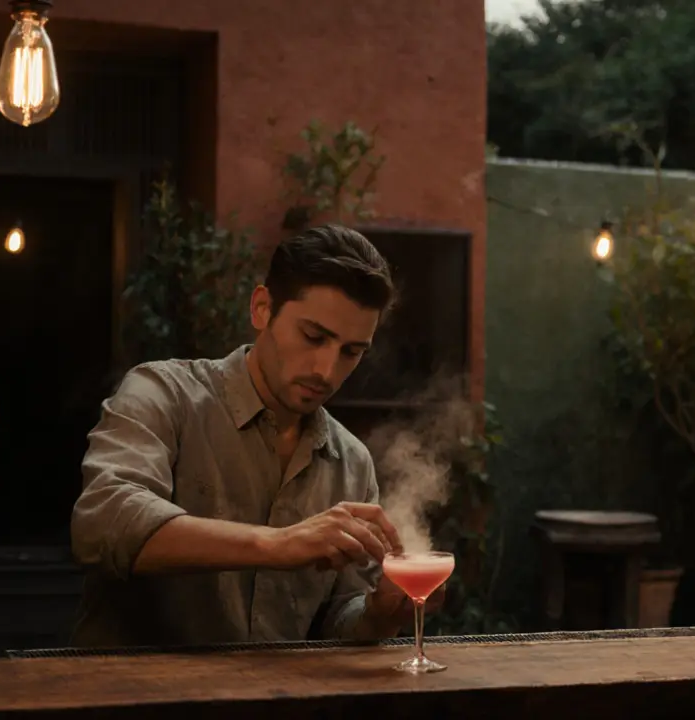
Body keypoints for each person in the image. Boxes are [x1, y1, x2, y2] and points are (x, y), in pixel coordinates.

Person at [69, 224, 441, 647]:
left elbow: (337, 623)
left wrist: (380, 613)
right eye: (313, 336)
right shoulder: (164, 395)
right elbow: (103, 523)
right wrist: (280, 545)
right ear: (262, 308)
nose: (326, 370)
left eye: (351, 352)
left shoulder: (351, 463)